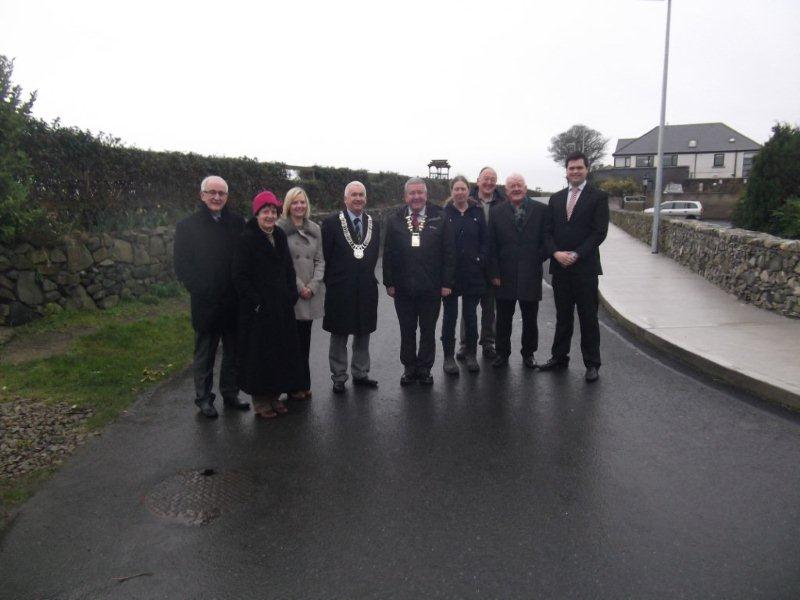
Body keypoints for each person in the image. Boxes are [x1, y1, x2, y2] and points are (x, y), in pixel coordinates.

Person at [173, 175, 248, 418]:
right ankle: (204, 398)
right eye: (212, 192)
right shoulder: (187, 226)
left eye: (222, 193)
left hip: (233, 301)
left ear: (227, 197)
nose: (217, 197)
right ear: (202, 195)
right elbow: (182, 266)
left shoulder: (237, 223)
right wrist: (202, 290)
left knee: (233, 352)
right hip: (206, 302)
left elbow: (244, 260)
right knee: (205, 353)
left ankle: (230, 393)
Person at [232, 191, 304, 418]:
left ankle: (274, 396)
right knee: (260, 357)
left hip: (281, 307)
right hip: (259, 311)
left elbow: (288, 269)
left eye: (273, 211)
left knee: (279, 354)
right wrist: (256, 303)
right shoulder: (247, 239)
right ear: (257, 214)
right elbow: (239, 276)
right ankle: (261, 401)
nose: (270, 216)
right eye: (266, 212)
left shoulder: (280, 235)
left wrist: (291, 294)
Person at [541, 151, 610, 382]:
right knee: (563, 317)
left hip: (585, 269)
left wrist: (578, 254)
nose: (575, 171)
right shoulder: (556, 199)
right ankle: (559, 358)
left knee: (588, 317)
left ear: (586, 169)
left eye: (579, 168)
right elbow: (547, 232)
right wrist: (555, 253)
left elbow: (599, 232)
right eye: (571, 168)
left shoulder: (598, 197)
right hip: (560, 268)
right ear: (566, 171)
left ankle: (592, 364)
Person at [383, 177, 455, 386]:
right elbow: (388, 253)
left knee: (427, 330)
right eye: (412, 193)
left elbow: (449, 253)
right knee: (407, 330)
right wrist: (389, 282)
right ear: (406, 196)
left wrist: (447, 283)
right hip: (403, 288)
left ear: (426, 195)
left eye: (420, 192)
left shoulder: (440, 217)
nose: (416, 197)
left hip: (431, 287)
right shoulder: (395, 219)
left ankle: (424, 369)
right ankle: (409, 368)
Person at [321, 181, 381, 394]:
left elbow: (373, 254)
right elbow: (325, 257)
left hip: (365, 287)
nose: (358, 199)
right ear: (345, 199)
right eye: (353, 195)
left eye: (361, 195)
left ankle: (360, 372)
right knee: (339, 333)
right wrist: (333, 282)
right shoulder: (330, 223)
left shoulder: (374, 223)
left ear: (366, 198)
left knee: (363, 331)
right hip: (340, 287)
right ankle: (339, 376)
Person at [487, 173, 548, 368]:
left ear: (525, 187)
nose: (516, 188)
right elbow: (492, 245)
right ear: (506, 190)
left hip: (531, 273)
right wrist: (494, 273)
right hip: (504, 275)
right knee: (504, 318)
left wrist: (538, 258)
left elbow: (547, 240)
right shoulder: (497, 212)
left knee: (530, 318)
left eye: (519, 185)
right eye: (511, 186)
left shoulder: (541, 210)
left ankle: (528, 353)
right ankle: (502, 353)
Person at [277, 187, 325, 400]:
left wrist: (313, 285)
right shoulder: (279, 229)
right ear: (288, 205)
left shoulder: (314, 228)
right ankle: (291, 385)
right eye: (295, 202)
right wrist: (299, 287)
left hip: (310, 293)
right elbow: (282, 262)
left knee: (304, 342)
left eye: (302, 202)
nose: (299, 206)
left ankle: (303, 383)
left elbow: (320, 260)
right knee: (290, 343)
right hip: (291, 293)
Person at [456, 166, 506, 361]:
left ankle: (488, 343)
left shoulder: (503, 202)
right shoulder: (467, 200)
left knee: (489, 307)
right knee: (468, 307)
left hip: (492, 264)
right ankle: (465, 344)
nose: (489, 182)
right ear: (478, 181)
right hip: (470, 264)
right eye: (485, 178)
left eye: (493, 179)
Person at [440, 175, 487, 375]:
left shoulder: (477, 212)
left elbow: (485, 240)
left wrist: (480, 260)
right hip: (450, 275)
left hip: (472, 273)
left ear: (469, 191)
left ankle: (470, 354)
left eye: (463, 189)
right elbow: (439, 243)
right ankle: (449, 357)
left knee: (470, 317)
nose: (460, 192)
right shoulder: (444, 213)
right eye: (456, 189)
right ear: (451, 192)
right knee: (450, 317)